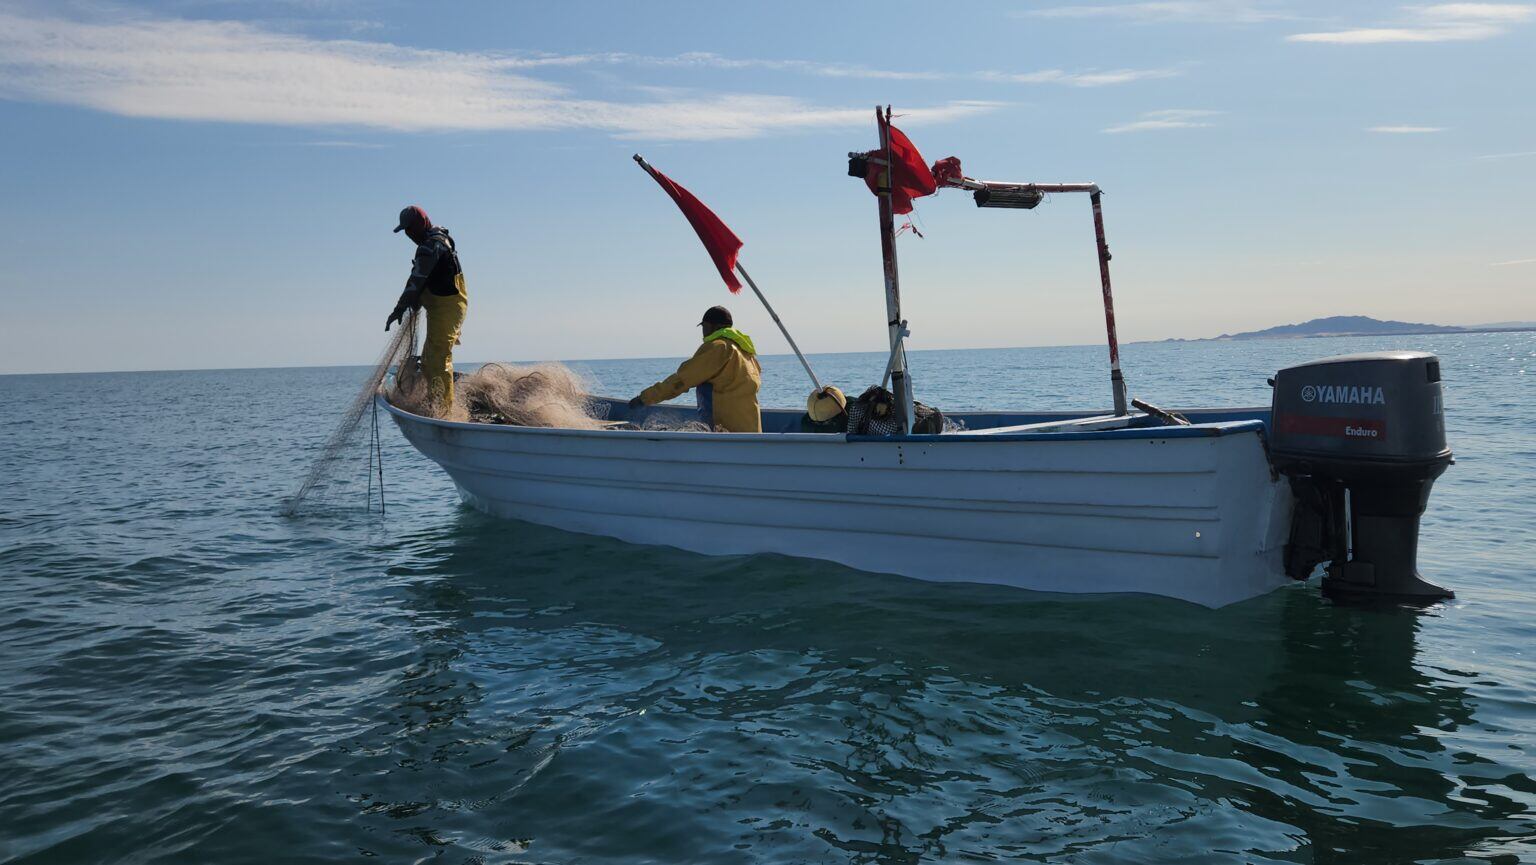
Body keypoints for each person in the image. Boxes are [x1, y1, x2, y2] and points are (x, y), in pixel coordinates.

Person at [385, 205, 467, 416]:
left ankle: (443, 411)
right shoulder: (435, 239)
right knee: (429, 360)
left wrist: (399, 308)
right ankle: (436, 400)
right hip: (440, 305)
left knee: (438, 359)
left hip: (448, 306)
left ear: (421, 225)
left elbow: (417, 279)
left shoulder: (431, 246)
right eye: (405, 231)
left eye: (410, 229)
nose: (408, 234)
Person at [629, 306, 762, 432]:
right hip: (751, 433)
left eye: (704, 326)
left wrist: (643, 399)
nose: (703, 331)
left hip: (726, 433)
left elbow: (681, 381)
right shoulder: (747, 353)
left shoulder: (718, 347)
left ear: (713, 326)